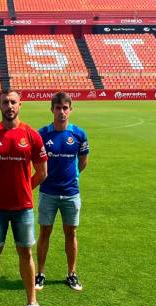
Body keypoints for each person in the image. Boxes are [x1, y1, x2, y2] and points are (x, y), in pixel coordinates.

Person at [0, 90, 47, 306]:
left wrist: (25, 189)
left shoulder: (31, 135)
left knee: (25, 254)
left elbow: (42, 172)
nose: (9, 106)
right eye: (5, 102)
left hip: (23, 208)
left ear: (20, 105)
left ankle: (32, 304)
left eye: (13, 102)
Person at [35, 92, 90, 291]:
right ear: (52, 110)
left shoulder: (78, 134)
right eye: (58, 108)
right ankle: (40, 273)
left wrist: (73, 175)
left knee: (71, 233)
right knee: (45, 232)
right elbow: (36, 161)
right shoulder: (42, 134)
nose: (61, 112)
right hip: (48, 192)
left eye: (65, 108)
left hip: (71, 193)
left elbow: (83, 161)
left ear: (71, 110)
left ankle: (71, 273)